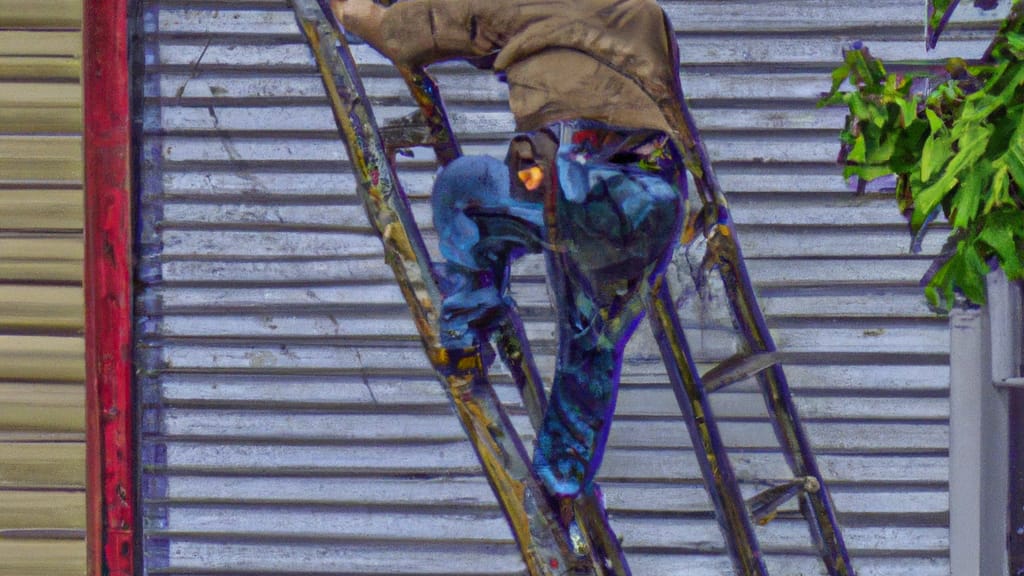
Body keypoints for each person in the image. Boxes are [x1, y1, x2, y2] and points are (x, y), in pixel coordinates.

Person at [331, 0, 689, 540]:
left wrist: (348, 12)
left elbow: (407, 32)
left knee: (464, 187)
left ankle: (468, 323)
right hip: (657, 196)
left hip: (584, 183)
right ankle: (560, 492)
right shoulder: (645, 13)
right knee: (591, 347)